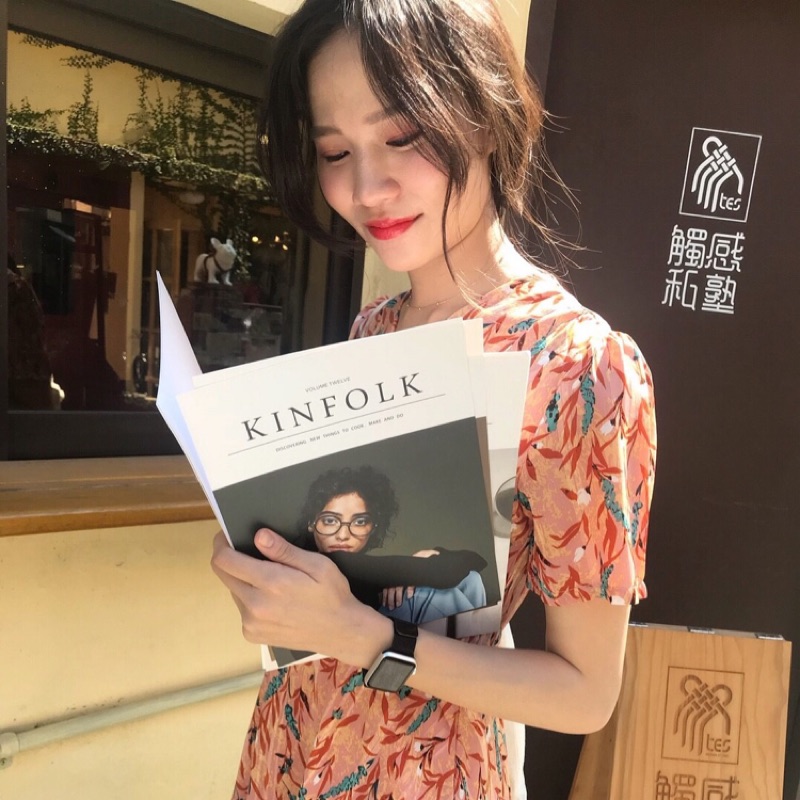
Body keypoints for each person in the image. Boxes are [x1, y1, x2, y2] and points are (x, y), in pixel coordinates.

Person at [210, 1, 657, 798]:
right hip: (291, 748)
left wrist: (364, 637)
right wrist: (272, 567)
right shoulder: (375, 327)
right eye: (334, 151)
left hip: (426, 771)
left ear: (484, 117)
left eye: (403, 136)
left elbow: (586, 693)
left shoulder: (575, 364)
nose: (365, 188)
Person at [296, 465, 488, 623]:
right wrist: (421, 566)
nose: (343, 535)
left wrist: (431, 556)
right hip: (350, 643)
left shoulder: (367, 570)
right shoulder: (320, 564)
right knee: (435, 596)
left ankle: (479, 644)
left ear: (373, 527)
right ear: (311, 523)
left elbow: (475, 562)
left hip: (377, 631)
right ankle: (479, 648)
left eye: (359, 522)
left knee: (471, 579)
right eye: (330, 520)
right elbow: (448, 572)